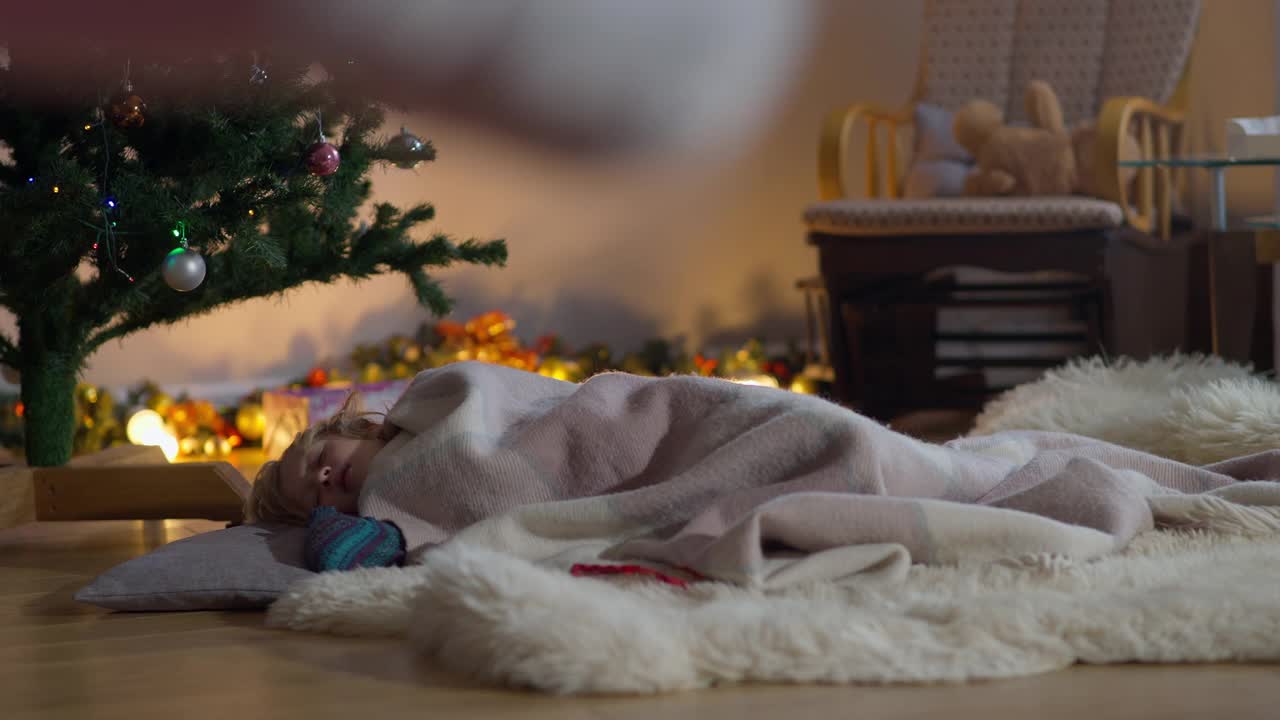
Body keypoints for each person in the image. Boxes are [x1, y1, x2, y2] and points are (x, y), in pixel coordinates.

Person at [245, 394, 405, 573]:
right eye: (316, 497)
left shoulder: (415, 411)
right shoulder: (392, 524)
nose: (322, 477)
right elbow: (336, 552)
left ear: (365, 429)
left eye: (320, 458)